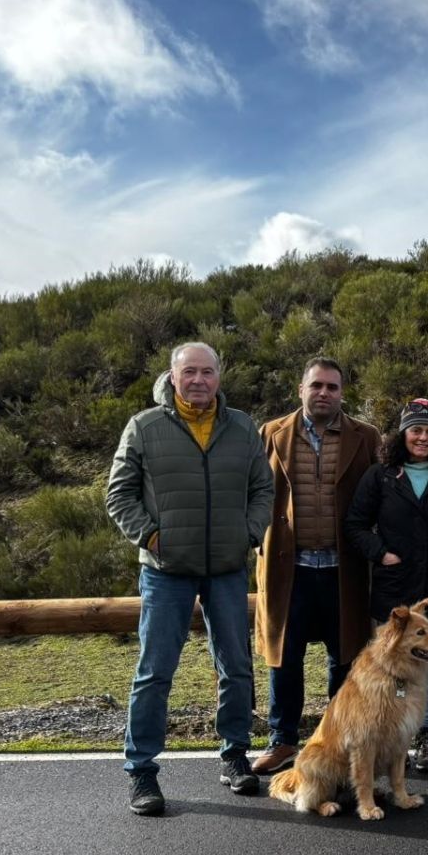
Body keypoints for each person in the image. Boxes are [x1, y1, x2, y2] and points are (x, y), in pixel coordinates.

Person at [106, 342, 274, 816]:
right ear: (173, 376)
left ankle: (235, 755)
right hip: (165, 572)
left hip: (226, 568)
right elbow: (118, 494)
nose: (198, 380)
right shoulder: (144, 426)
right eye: (190, 372)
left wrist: (248, 531)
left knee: (237, 666)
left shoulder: (242, 427)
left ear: (220, 377)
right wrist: (151, 537)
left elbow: (264, 487)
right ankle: (141, 771)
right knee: (155, 671)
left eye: (207, 372)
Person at [251, 357, 382, 776]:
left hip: (345, 570)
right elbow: (252, 492)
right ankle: (283, 741)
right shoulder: (271, 434)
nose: (324, 393)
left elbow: (380, 496)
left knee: (344, 659)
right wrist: (253, 539)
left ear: (343, 392)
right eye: (316, 386)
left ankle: (338, 742)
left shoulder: (366, 437)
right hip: (288, 569)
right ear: (301, 389)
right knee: (284, 657)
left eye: (332, 387)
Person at [345, 398, 428, 771]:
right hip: (393, 589)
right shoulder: (380, 475)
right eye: (416, 430)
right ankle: (392, 742)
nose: (423, 438)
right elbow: (355, 523)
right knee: (390, 667)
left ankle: (425, 736)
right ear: (402, 434)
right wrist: (380, 553)